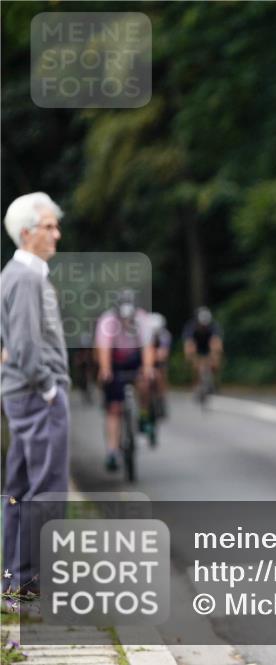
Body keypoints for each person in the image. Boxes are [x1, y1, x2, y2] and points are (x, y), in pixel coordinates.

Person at [1, 192, 71, 597]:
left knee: (21, 489)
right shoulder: (27, 277)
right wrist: (49, 389)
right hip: (37, 394)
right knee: (46, 491)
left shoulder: (13, 273)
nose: (56, 234)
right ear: (27, 233)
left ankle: (16, 581)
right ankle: (32, 584)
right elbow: (25, 345)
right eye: (49, 227)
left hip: (20, 394)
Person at [95, 289, 155, 471]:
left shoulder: (142, 319)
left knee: (145, 381)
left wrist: (148, 368)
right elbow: (104, 349)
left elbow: (147, 347)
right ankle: (112, 451)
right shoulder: (107, 321)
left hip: (134, 358)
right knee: (114, 408)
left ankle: (143, 415)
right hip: (114, 361)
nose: (126, 322)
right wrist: (105, 370)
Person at [182, 306, 223, 396]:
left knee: (216, 360)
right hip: (197, 347)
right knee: (195, 363)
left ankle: (215, 381)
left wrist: (215, 355)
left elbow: (216, 342)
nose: (204, 327)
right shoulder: (191, 326)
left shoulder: (214, 326)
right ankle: (197, 383)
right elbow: (188, 343)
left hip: (209, 346)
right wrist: (190, 356)